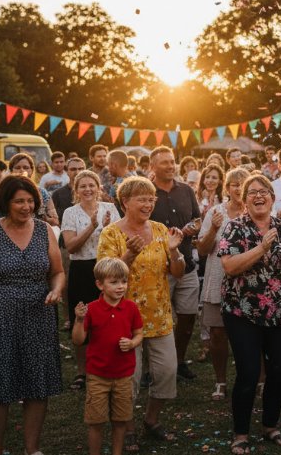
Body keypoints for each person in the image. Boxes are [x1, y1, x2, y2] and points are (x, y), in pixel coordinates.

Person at [0, 175, 66, 455]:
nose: (26, 206)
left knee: (37, 385)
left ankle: (32, 449)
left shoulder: (45, 230)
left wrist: (56, 289)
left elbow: (57, 271)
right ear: (5, 203)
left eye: (31, 201)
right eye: (19, 201)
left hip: (38, 317)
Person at [218, 174, 281, 454]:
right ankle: (241, 433)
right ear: (244, 201)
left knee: (279, 371)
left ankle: (270, 425)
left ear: (272, 198)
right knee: (248, 372)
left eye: (264, 191)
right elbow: (230, 267)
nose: (258, 196)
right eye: (252, 192)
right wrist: (262, 247)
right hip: (241, 312)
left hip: (278, 312)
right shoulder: (234, 227)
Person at [97, 176, 186, 450]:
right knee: (128, 379)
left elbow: (178, 273)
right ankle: (128, 428)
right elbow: (105, 275)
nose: (148, 204)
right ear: (125, 202)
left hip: (159, 313)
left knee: (167, 371)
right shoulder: (111, 233)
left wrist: (175, 252)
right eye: (142, 199)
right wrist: (129, 256)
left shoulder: (160, 230)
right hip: (123, 319)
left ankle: (151, 419)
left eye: (151, 199)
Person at [71, 258, 144, 455]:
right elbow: (78, 340)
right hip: (97, 376)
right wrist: (79, 320)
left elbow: (139, 333)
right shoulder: (92, 309)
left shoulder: (131, 308)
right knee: (96, 422)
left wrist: (132, 343)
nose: (121, 286)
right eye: (114, 282)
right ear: (100, 284)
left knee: (120, 421)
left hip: (124, 375)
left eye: (124, 281)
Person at [62, 170, 122, 391]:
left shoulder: (110, 209)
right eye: (83, 186)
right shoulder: (70, 212)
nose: (88, 189)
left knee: (110, 318)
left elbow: (119, 238)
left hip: (107, 268)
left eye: (91, 185)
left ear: (98, 187)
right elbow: (71, 246)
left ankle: (109, 367)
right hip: (81, 268)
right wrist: (92, 226)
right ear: (76, 190)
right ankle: (82, 372)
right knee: (82, 316)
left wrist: (105, 228)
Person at [148, 146, 202, 381]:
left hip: (186, 263)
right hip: (157, 266)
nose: (170, 166)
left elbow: (197, 218)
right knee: (157, 317)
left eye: (172, 162)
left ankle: (179, 361)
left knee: (188, 317)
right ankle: (152, 368)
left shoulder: (186, 190)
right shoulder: (147, 191)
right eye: (165, 163)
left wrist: (192, 227)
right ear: (153, 166)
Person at [196, 167, 249, 400]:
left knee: (251, 334)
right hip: (218, 278)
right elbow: (202, 249)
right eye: (235, 184)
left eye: (244, 184)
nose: (239, 188)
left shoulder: (256, 210)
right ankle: (220, 381)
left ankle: (256, 379)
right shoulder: (215, 212)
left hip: (249, 281)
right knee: (218, 334)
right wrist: (214, 228)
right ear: (227, 188)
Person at [9, 153, 59, 227]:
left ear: (31, 170)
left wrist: (47, 219)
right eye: (17, 167)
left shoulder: (42, 192)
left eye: (26, 167)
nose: (22, 170)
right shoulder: (5, 192)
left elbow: (55, 221)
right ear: (11, 171)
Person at [52, 157, 88, 225]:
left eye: (81, 169)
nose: (77, 172)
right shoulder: (57, 194)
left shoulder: (92, 192)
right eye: (73, 169)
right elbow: (55, 219)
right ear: (67, 172)